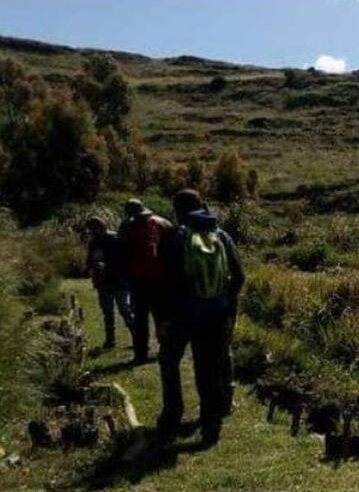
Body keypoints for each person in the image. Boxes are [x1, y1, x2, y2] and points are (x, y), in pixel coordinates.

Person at [155, 189, 245, 445]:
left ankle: (172, 416)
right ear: (202, 205)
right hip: (215, 316)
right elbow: (239, 277)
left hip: (180, 316)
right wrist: (227, 308)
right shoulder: (221, 235)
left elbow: (164, 283)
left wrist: (163, 319)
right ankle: (211, 426)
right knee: (209, 372)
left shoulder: (173, 237)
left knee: (169, 362)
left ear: (176, 210)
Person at [118, 198, 173, 364]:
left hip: (140, 280)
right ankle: (166, 348)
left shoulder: (128, 227)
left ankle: (142, 353)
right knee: (160, 317)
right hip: (159, 279)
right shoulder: (163, 223)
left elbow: (121, 252)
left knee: (141, 319)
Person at [84, 216, 133, 349]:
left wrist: (107, 266)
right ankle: (110, 340)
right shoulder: (94, 242)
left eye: (95, 228)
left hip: (119, 281)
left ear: (101, 226)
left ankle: (136, 337)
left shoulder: (115, 238)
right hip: (103, 282)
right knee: (108, 313)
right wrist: (91, 267)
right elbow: (89, 260)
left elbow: (124, 259)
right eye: (91, 229)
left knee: (125, 310)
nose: (93, 231)